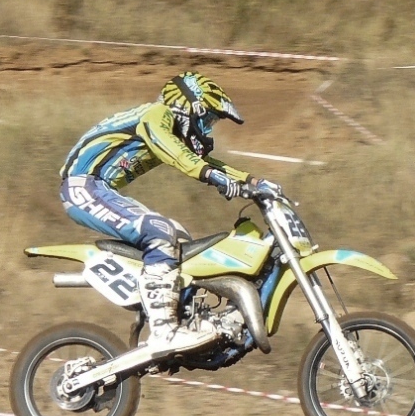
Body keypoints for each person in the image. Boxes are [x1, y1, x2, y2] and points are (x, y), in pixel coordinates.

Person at [59, 71, 281, 357]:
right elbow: (179, 156)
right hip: (83, 187)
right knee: (160, 232)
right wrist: (213, 177)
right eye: (207, 120)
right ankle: (163, 331)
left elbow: (204, 161)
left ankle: (183, 318)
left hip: (100, 189)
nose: (207, 129)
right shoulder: (156, 115)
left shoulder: (168, 126)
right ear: (189, 108)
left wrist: (252, 181)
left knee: (178, 236)